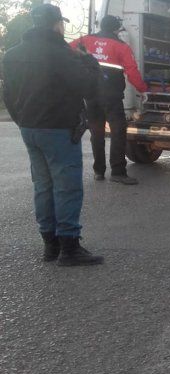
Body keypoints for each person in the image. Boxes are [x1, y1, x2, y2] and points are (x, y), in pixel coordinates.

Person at [2, 4, 104, 266]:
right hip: (58, 128)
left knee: (44, 186)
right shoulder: (61, 53)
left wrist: (22, 119)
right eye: (62, 23)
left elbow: (9, 95)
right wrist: (89, 61)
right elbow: (89, 88)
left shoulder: (13, 54)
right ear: (57, 24)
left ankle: (51, 245)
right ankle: (69, 247)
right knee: (66, 186)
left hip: (30, 128)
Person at [70, 15, 148, 185]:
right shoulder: (121, 46)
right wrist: (143, 90)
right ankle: (118, 172)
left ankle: (99, 171)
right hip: (111, 96)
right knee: (118, 131)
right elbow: (132, 71)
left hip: (90, 95)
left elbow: (67, 50)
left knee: (96, 132)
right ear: (116, 29)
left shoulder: (85, 40)